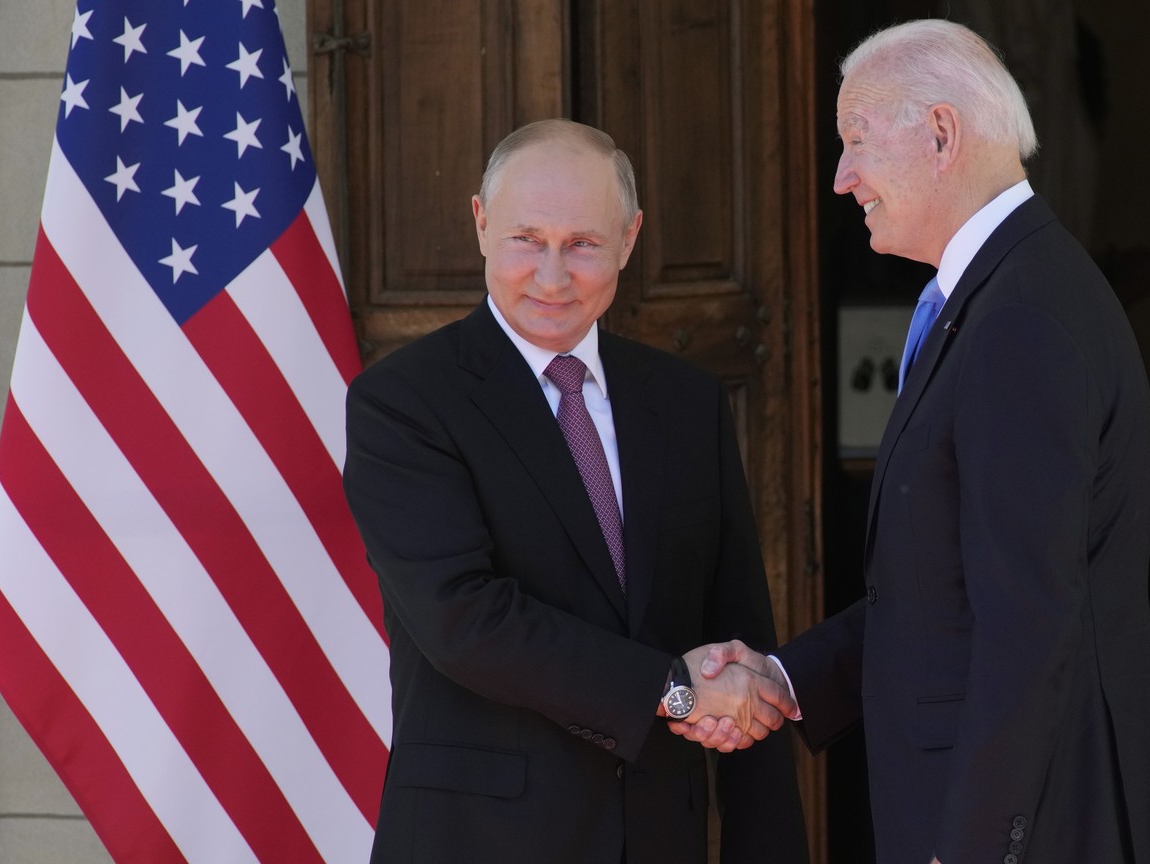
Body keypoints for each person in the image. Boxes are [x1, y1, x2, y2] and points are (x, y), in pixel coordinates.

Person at [677, 19, 1150, 864]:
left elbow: (1028, 626)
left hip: (1039, 829)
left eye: (856, 141)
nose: (842, 178)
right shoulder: (1002, 294)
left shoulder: (1020, 317)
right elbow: (944, 586)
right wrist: (785, 679)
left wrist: (975, 848)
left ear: (942, 133)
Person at [343, 118, 809, 864]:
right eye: (527, 238)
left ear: (629, 239)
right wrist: (670, 688)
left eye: (584, 244)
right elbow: (466, 619)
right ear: (481, 224)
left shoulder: (686, 401)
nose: (553, 276)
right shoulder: (403, 402)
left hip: (660, 837)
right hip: (481, 843)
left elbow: (738, 634)